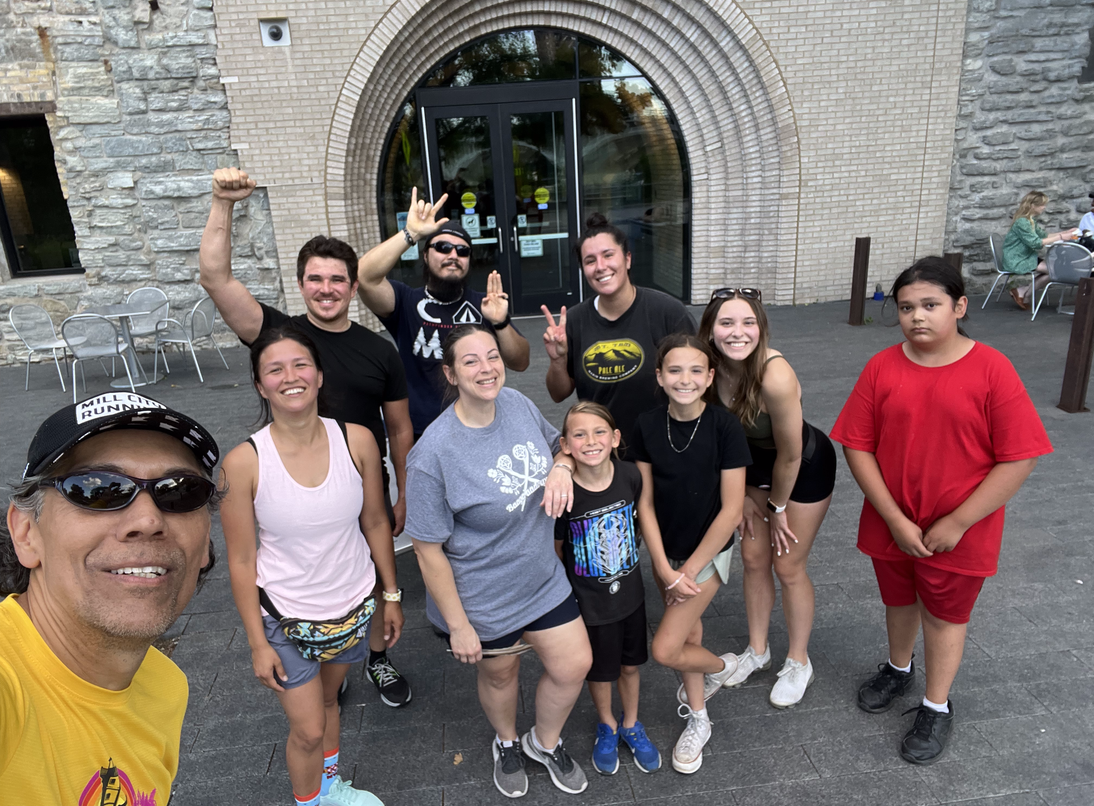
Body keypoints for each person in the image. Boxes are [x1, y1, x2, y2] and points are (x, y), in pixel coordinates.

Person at [199, 168, 413, 707]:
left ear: (352, 285)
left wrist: (403, 489)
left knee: (367, 576)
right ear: (301, 285)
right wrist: (223, 204)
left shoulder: (380, 351)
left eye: (338, 279)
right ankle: (314, 659)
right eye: (315, 279)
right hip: (291, 481)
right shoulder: (277, 335)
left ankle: (374, 659)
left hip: (360, 477)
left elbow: (400, 426)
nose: (327, 289)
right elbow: (216, 280)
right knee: (307, 573)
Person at [830, 257, 1052, 765]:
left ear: (960, 306)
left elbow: (1019, 457)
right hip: (894, 518)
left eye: (930, 305)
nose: (917, 317)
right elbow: (857, 446)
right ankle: (899, 668)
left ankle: (936, 704)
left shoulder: (991, 368)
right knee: (900, 600)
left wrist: (957, 521)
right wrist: (892, 517)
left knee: (945, 615)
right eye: (906, 307)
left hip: (958, 529)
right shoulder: (882, 366)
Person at [1, 392, 220, 802]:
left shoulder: (165, 686)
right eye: (97, 489)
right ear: (26, 533)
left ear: (205, 543)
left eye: (179, 491)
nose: (148, 520)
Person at [405, 324, 593, 798]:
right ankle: (506, 742)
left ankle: (543, 743)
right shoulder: (432, 454)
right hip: (482, 594)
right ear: (450, 372)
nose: (487, 368)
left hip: (542, 579)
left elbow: (559, 446)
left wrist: (563, 469)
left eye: (492, 356)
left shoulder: (518, 404)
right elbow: (427, 550)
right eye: (470, 361)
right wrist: (458, 625)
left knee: (574, 664)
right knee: (501, 673)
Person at [219, 326, 403, 806]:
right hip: (286, 616)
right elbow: (241, 560)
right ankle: (310, 801)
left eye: (301, 365)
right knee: (307, 728)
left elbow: (376, 521)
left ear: (320, 376)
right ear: (261, 385)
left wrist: (390, 594)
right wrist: (257, 644)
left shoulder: (358, 440)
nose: (290, 377)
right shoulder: (243, 463)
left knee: (327, 703)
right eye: (274, 369)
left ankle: (330, 787)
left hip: (351, 607)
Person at [698, 288, 837, 708]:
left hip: (801, 467)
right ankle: (758, 651)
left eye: (747, 323)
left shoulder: (774, 376)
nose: (737, 333)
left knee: (788, 564)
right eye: (726, 323)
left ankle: (799, 661)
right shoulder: (705, 370)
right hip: (751, 469)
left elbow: (791, 454)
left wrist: (777, 507)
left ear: (761, 329)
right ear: (710, 329)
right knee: (754, 559)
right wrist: (740, 493)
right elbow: (716, 442)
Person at [630, 334, 751, 774]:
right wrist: (663, 566)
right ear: (660, 377)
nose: (686, 379)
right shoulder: (646, 425)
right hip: (668, 551)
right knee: (689, 635)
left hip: (708, 555)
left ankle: (724, 667)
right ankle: (699, 719)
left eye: (696, 370)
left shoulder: (725, 427)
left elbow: (732, 510)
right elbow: (644, 502)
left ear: (710, 376)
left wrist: (689, 571)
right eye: (675, 370)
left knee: (665, 648)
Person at [356, 189, 530, 437]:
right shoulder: (405, 301)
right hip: (422, 432)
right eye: (443, 247)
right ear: (425, 255)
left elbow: (520, 362)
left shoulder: (486, 305)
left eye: (463, 251)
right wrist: (411, 233)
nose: (453, 255)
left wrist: (501, 322)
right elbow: (364, 276)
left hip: (478, 429)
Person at [553, 401, 661, 776]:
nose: (591, 441)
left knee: (630, 666)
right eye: (579, 434)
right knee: (601, 671)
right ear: (565, 444)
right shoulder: (565, 494)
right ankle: (607, 725)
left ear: (615, 438)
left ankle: (631, 723)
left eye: (599, 432)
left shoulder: (630, 476)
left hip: (632, 597)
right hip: (590, 604)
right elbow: (558, 549)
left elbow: (639, 523)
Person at [542, 213, 696, 456]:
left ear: (627, 259)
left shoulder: (667, 312)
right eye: (590, 261)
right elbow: (558, 394)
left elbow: (698, 381)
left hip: (666, 448)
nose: (600, 267)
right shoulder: (574, 321)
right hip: (603, 455)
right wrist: (557, 360)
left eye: (608, 255)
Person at [1000, 191, 1078, 310]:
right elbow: (1036, 243)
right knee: (1055, 271)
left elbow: (1043, 235)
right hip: (1017, 258)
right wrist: (1061, 237)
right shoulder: (1023, 222)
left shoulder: (1029, 220)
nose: (1044, 207)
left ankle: (1023, 291)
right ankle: (1024, 293)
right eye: (1042, 205)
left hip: (1024, 256)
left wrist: (1065, 233)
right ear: (1033, 206)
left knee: (1054, 270)